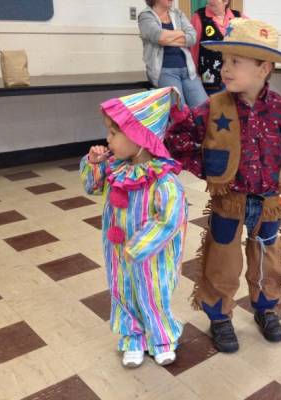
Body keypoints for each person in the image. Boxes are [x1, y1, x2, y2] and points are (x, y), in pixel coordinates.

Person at [165, 19, 281, 353]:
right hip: (229, 202)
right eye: (224, 61)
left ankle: (266, 309)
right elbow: (178, 138)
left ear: (263, 68)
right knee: (222, 259)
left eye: (235, 62)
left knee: (268, 258)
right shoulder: (213, 108)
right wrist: (208, 170)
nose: (225, 69)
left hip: (268, 203)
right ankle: (219, 316)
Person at [80, 88, 188, 368]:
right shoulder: (115, 168)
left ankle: (162, 339)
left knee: (154, 293)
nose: (107, 139)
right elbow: (91, 186)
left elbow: (170, 218)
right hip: (118, 252)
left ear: (139, 136)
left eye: (114, 133)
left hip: (153, 257)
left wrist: (140, 246)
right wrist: (93, 163)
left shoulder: (163, 180)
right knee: (123, 292)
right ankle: (132, 339)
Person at [138, 0, 208, 107]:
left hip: (188, 70)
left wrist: (167, 38)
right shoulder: (145, 16)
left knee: (204, 108)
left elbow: (192, 37)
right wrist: (181, 33)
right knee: (179, 111)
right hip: (165, 71)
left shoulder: (178, 13)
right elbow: (159, 37)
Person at [190, 0, 244, 94]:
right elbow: (193, 48)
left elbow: (252, 37)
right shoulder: (199, 16)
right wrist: (193, 73)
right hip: (210, 78)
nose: (210, 1)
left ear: (225, 1)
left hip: (233, 78)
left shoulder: (239, 17)